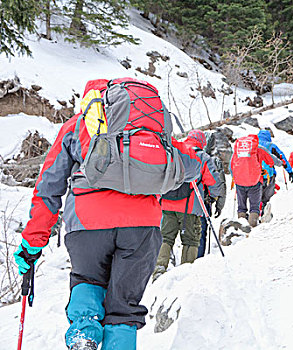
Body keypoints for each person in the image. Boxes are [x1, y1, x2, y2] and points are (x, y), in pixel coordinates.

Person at [13, 78, 200, 350]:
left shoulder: (78, 126)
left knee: (87, 280)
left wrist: (32, 242)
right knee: (124, 308)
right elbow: (191, 164)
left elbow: (48, 187)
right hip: (142, 228)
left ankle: (84, 336)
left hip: (87, 224)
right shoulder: (152, 132)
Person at [154, 129, 221, 277]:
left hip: (167, 203)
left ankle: (159, 268)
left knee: (166, 237)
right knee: (190, 240)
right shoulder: (201, 156)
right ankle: (185, 275)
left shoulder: (175, 151)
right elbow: (213, 181)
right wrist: (214, 196)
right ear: (202, 142)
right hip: (190, 206)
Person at [230, 134, 275, 227]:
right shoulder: (258, 149)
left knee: (241, 207)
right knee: (254, 207)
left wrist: (235, 177)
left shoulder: (237, 151)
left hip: (239, 181)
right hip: (255, 181)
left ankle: (241, 228)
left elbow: (231, 165)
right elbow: (270, 161)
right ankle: (252, 228)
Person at [197, 131, 226, 258]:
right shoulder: (214, 161)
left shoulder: (189, 155)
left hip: (186, 201)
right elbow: (221, 185)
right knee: (202, 231)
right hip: (205, 201)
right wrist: (219, 206)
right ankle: (199, 260)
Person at [257, 130, 293, 216]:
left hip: (256, 175)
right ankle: (264, 212)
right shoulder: (271, 146)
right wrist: (290, 171)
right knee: (268, 196)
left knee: (256, 195)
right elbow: (281, 158)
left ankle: (256, 213)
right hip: (269, 174)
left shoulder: (254, 146)